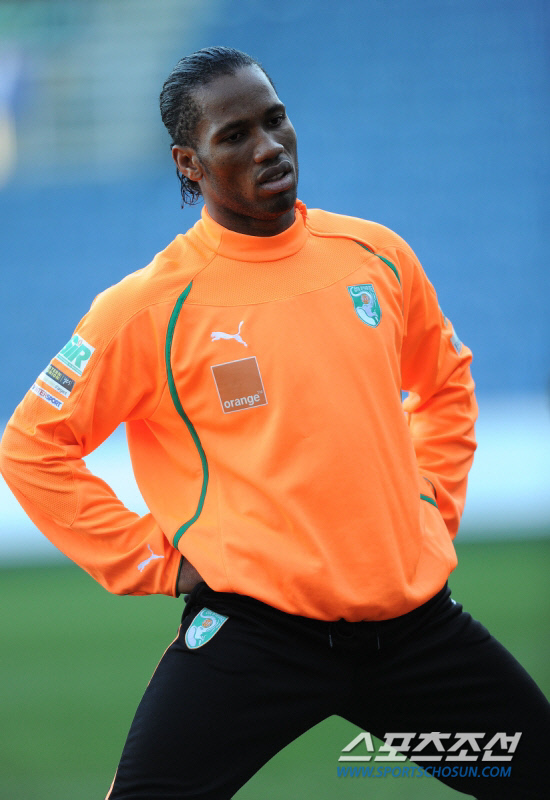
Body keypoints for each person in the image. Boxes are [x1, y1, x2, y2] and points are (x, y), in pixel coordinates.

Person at [0, 46, 548, 800]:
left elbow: (445, 381)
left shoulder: (375, 255)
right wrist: (155, 561)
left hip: (413, 632)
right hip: (256, 639)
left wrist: (431, 507)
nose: (269, 146)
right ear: (189, 163)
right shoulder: (149, 307)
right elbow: (32, 447)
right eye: (235, 135)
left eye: (275, 120)